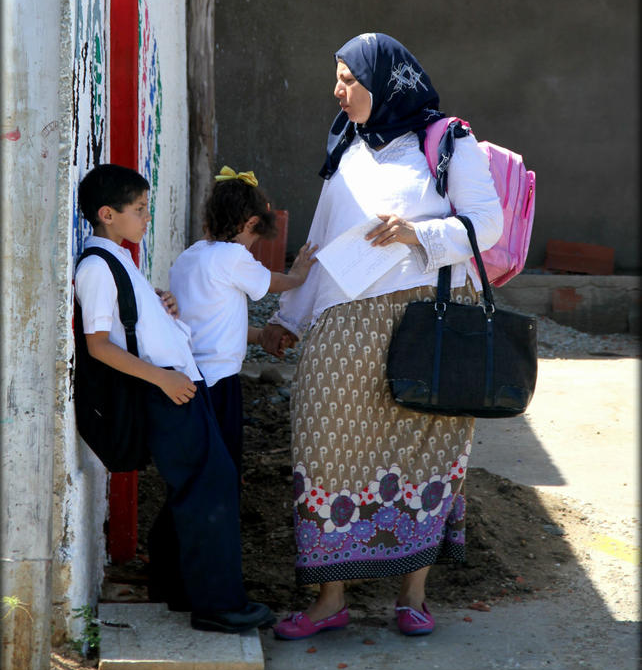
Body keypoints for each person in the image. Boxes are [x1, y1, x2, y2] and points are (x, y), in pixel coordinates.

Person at [262, 33, 503, 639]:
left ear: (385, 80)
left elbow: (488, 224)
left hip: (426, 323)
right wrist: (289, 317)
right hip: (343, 327)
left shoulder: (448, 141)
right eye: (337, 78)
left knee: (423, 450)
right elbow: (320, 240)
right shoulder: (346, 147)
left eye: (347, 78)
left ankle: (413, 596)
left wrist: (418, 234)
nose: (336, 91)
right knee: (322, 449)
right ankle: (329, 599)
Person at [74, 163, 274, 633]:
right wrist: (163, 381)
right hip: (164, 390)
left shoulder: (117, 258)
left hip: (178, 385)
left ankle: (186, 590)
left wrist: (164, 307)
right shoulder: (96, 267)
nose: (147, 218)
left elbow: (131, 326)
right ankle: (218, 606)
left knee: (205, 486)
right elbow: (99, 345)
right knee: (209, 490)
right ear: (107, 213)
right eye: (139, 210)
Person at [168, 166, 317, 481]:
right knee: (224, 463)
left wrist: (260, 335)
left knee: (198, 465)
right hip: (220, 382)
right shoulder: (232, 256)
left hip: (190, 378)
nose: (252, 247)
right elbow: (269, 282)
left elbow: (208, 324)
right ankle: (216, 521)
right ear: (250, 223)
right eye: (254, 237)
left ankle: (187, 524)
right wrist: (298, 276)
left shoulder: (190, 257)